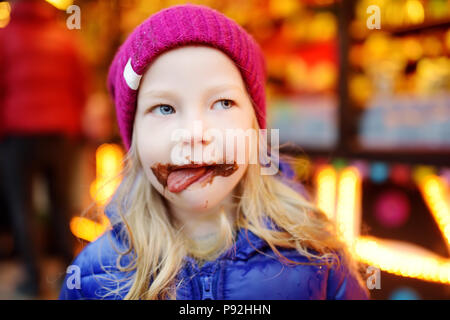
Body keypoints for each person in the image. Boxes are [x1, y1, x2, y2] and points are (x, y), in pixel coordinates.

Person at [59, 4, 370, 300]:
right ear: (135, 139)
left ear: (254, 128)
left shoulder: (317, 258)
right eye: (164, 108)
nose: (195, 134)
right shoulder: (92, 276)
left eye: (223, 103)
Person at [0, 0, 90, 297]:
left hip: (18, 135)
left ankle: (33, 278)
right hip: (60, 133)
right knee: (60, 203)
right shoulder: (64, 37)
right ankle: (72, 271)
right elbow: (81, 86)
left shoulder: (5, 37)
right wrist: (74, 126)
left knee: (22, 207)